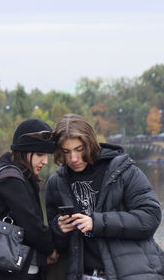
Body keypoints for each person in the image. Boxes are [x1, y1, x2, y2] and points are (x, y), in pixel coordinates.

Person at [45, 113, 164, 280]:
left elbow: (150, 217)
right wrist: (58, 230)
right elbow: (55, 242)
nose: (73, 158)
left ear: (90, 144)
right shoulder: (56, 183)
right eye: (66, 151)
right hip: (81, 274)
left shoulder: (123, 171)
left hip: (132, 272)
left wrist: (97, 222)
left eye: (79, 150)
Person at [0, 118, 58, 280]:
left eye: (47, 155)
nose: (45, 161)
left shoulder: (18, 176)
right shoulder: (12, 180)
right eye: (40, 154)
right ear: (24, 152)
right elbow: (32, 226)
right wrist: (50, 249)